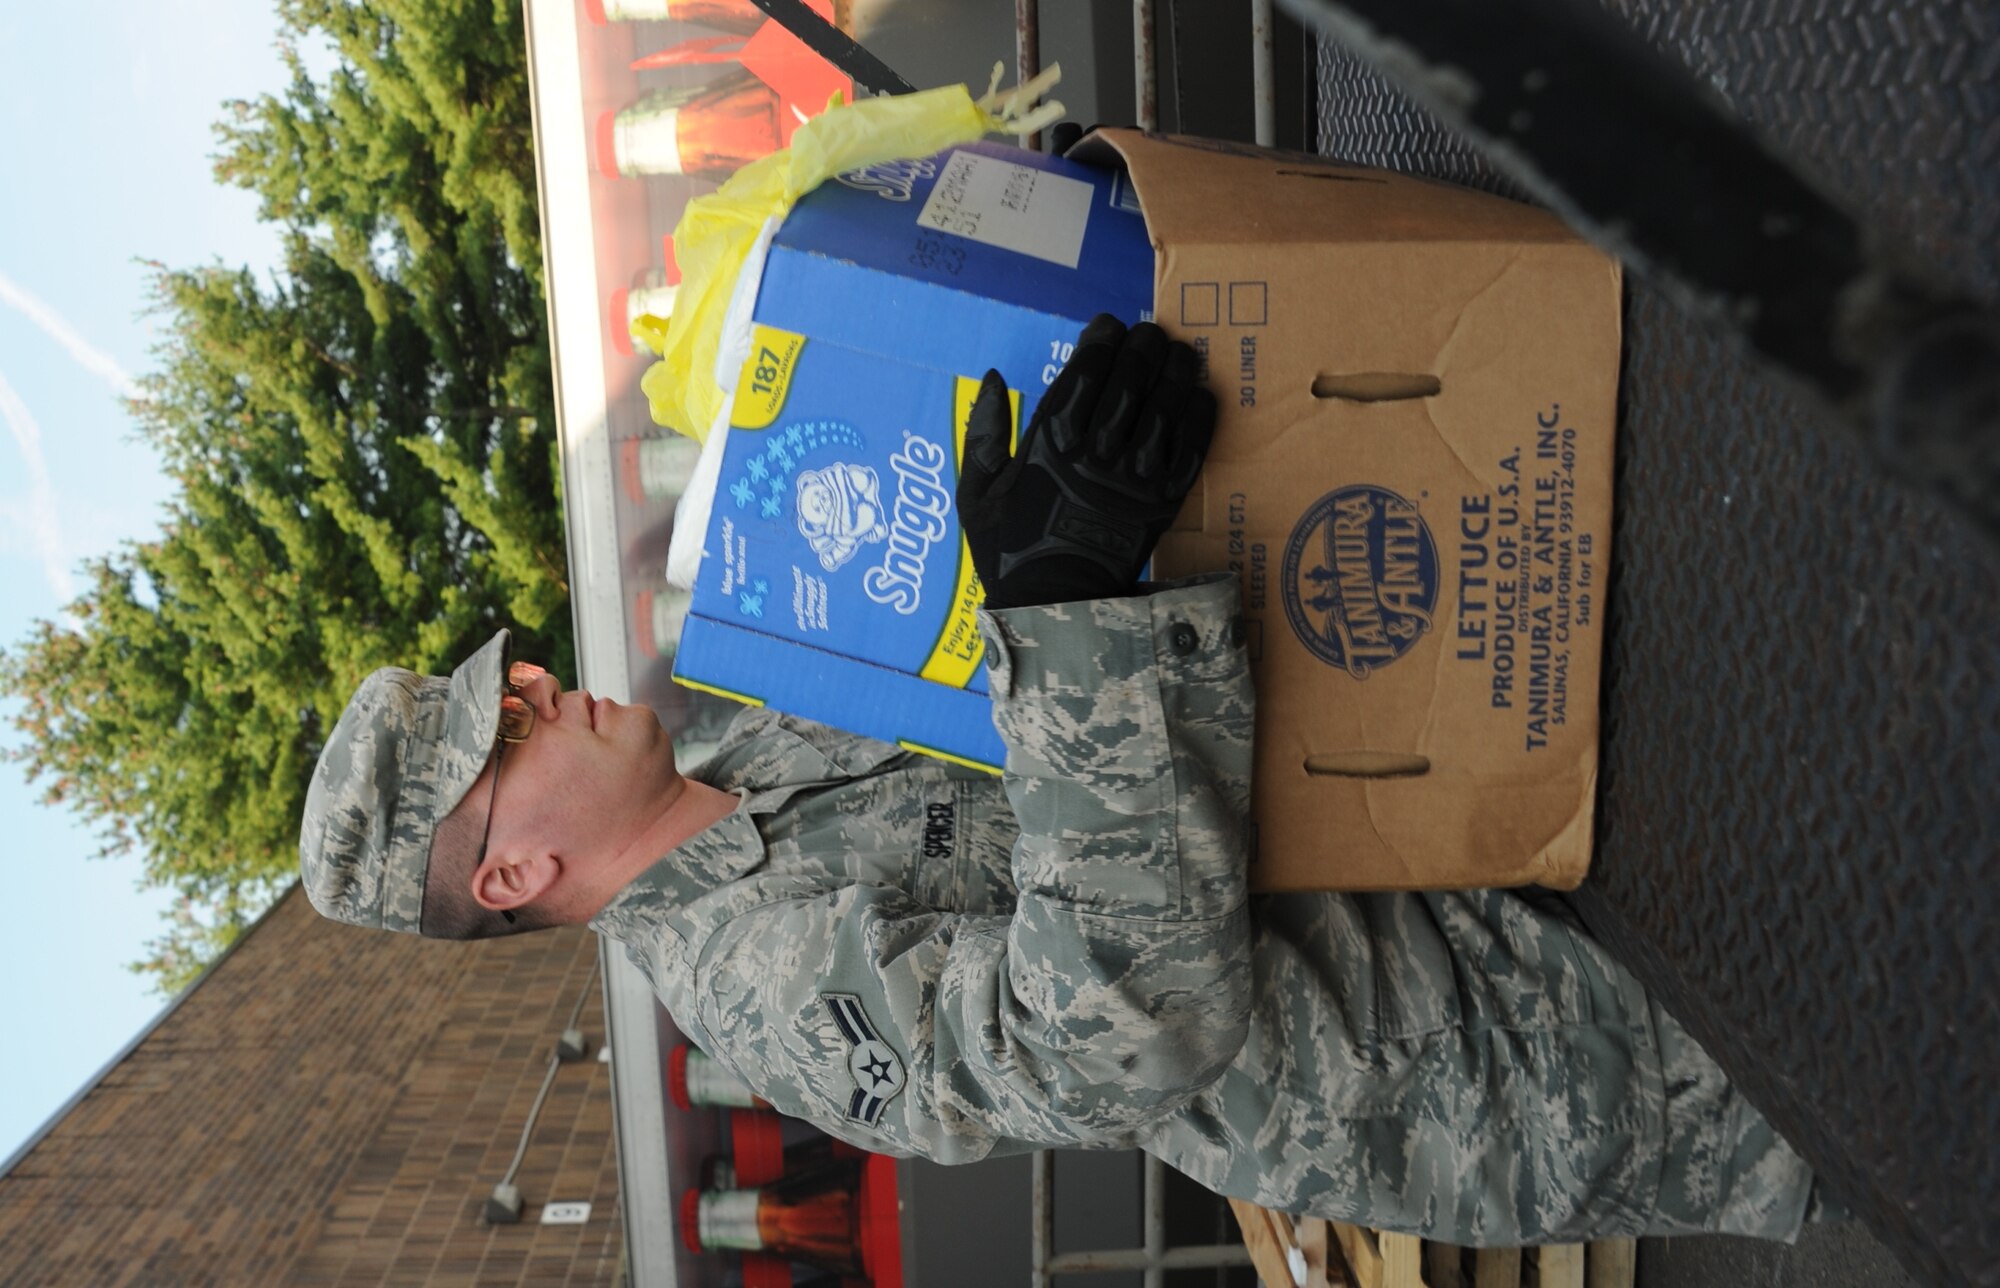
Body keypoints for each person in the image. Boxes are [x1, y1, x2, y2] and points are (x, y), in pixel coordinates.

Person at [300, 316, 1827, 1246]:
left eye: (502, 687)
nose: (534, 691)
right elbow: (1111, 1041)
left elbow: (1012, 684)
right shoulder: (759, 994)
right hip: (1510, 1042)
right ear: (509, 879)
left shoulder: (758, 733)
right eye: (496, 743)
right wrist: (1073, 609)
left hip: (1511, 826)